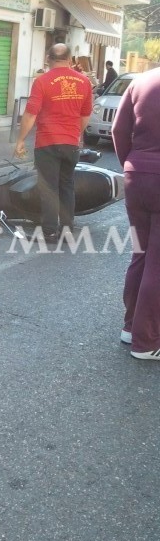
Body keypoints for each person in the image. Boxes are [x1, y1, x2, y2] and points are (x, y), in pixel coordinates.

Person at [13, 43, 93, 243]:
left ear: (48, 59)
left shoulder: (42, 81)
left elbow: (31, 113)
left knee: (49, 188)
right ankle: (67, 231)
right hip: (71, 143)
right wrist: (75, 134)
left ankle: (49, 231)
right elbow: (85, 114)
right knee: (67, 185)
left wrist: (21, 140)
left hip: (47, 142)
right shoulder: (84, 82)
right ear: (70, 59)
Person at [112, 69, 160, 361]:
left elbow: (119, 130)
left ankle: (130, 327)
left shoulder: (140, 81)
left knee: (140, 253)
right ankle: (147, 341)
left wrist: (130, 163)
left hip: (136, 174)